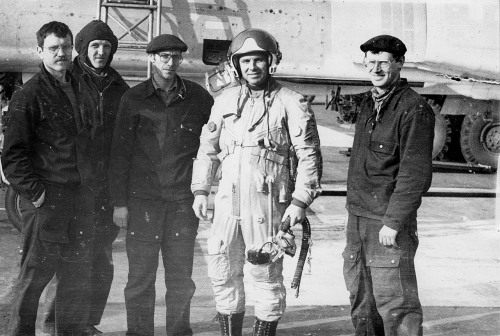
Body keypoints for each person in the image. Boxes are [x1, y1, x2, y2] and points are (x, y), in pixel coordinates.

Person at [191, 28, 322, 336]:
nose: (252, 67)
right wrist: (200, 190)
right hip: (226, 204)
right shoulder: (224, 100)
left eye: (258, 60)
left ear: (270, 62)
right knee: (221, 271)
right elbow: (207, 149)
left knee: (264, 274)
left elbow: (309, 158)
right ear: (236, 65)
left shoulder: (292, 102)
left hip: (266, 205)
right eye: (245, 61)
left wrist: (300, 201)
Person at [108, 34, 214, 336]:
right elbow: (120, 154)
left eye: (175, 57)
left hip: (182, 204)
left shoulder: (198, 98)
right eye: (164, 56)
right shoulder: (133, 98)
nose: (170, 62)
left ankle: (179, 332)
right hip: (143, 204)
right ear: (152, 58)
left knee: (181, 279)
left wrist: (204, 189)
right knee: (140, 279)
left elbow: (213, 145)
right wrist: (120, 203)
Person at [1, 21, 95, 335]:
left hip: (79, 197)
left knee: (75, 277)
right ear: (40, 51)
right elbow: (13, 156)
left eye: (66, 47)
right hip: (47, 201)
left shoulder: (82, 87)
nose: (61, 53)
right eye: (53, 48)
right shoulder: (28, 95)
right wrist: (38, 195)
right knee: (33, 278)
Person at [41, 20, 129, 336]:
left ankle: (87, 322)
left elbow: (125, 145)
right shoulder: (66, 81)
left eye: (106, 46)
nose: (101, 52)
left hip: (105, 190)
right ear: (82, 48)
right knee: (69, 259)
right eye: (94, 46)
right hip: (72, 187)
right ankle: (55, 324)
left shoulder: (121, 88)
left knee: (102, 260)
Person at [343, 35, 435, 336]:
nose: (376, 69)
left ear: (399, 64)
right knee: (362, 301)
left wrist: (393, 222)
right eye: (371, 63)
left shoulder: (413, 109)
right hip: (358, 218)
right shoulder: (370, 103)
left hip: (386, 224)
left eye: (383, 62)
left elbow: (414, 174)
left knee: (396, 305)